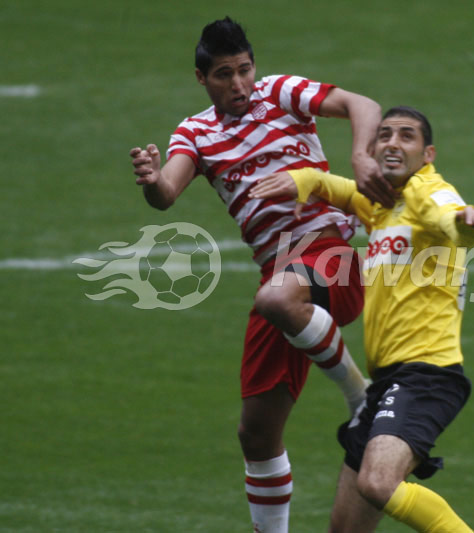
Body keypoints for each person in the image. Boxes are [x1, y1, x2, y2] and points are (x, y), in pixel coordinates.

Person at [128, 17, 396, 533]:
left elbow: (362, 106)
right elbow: (166, 195)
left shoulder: (281, 92)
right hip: (281, 271)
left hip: (329, 254)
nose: (240, 85)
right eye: (225, 75)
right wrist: (150, 179)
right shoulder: (195, 132)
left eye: (245, 70)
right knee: (256, 435)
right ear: (202, 79)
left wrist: (359, 157)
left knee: (275, 300)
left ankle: (360, 396)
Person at [250, 106, 474, 532]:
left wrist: (465, 222)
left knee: (379, 483)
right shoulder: (382, 204)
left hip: (425, 376)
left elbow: (448, 216)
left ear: (428, 153)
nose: (393, 143)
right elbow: (336, 188)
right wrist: (299, 180)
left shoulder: (425, 191)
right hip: (387, 382)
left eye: (406, 136)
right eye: (384, 135)